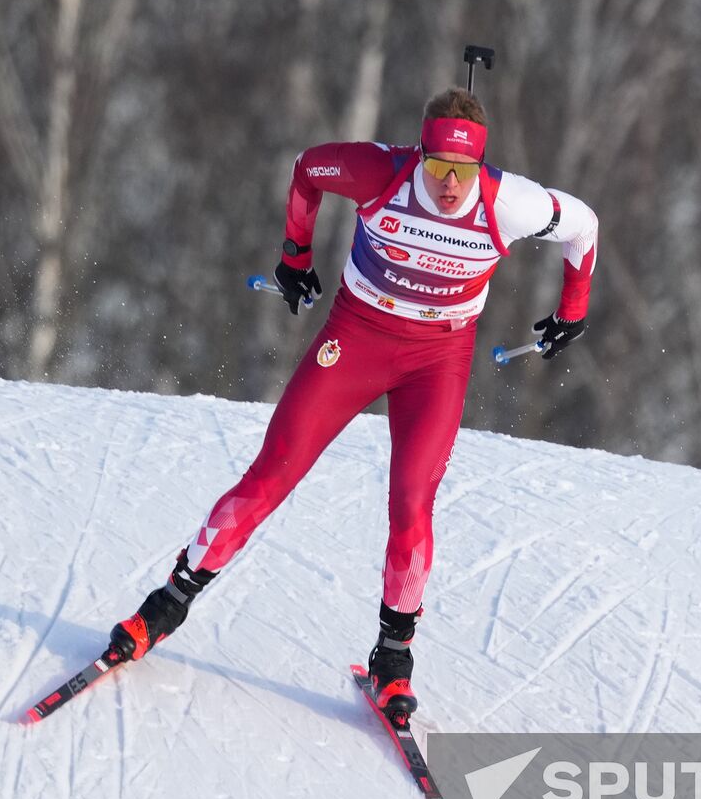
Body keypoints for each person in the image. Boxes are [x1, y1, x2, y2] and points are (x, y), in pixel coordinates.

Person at [109, 87, 598, 721]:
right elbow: (309, 169)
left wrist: (573, 311)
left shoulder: (510, 202)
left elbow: (583, 225)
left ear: (482, 167)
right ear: (418, 155)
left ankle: (393, 662)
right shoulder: (380, 172)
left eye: (465, 171)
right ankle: (163, 609)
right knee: (273, 472)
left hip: (437, 361)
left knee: (412, 507)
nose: (450, 185)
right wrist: (295, 255)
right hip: (358, 336)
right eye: (438, 167)